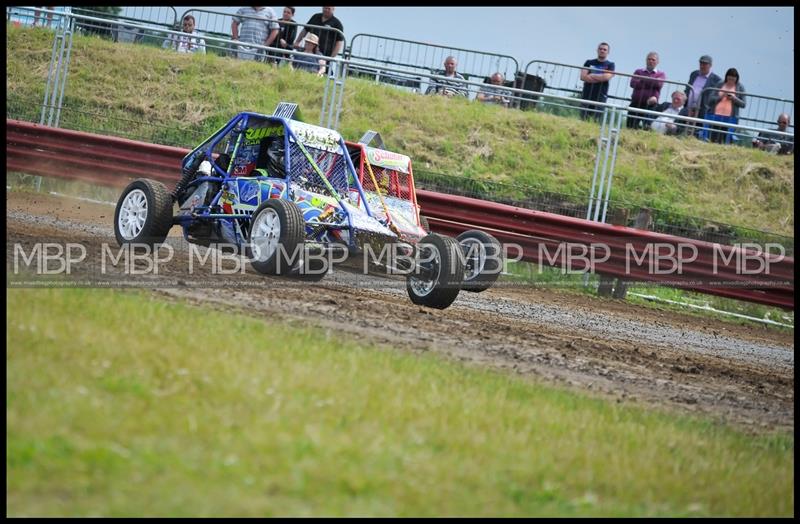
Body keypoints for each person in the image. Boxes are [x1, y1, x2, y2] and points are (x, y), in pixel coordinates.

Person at [705, 67, 746, 144]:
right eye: (729, 79)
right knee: (713, 138)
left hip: (730, 118)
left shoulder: (740, 87)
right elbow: (710, 99)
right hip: (716, 116)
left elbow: (743, 104)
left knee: (725, 139)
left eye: (733, 80)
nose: (730, 81)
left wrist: (734, 98)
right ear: (726, 77)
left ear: (736, 79)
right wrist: (721, 96)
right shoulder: (720, 84)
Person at [684, 55, 721, 136]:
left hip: (703, 111)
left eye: (705, 64)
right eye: (701, 63)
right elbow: (688, 88)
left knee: (697, 132)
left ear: (710, 65)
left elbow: (717, 97)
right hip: (688, 108)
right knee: (684, 127)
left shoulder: (717, 80)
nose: (702, 66)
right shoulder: (694, 74)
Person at [627, 52, 666, 130]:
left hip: (650, 105)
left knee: (647, 129)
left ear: (657, 62)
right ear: (646, 60)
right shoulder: (638, 71)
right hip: (636, 103)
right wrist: (652, 82)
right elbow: (633, 83)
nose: (651, 61)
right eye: (649, 59)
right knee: (630, 128)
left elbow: (658, 84)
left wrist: (641, 79)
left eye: (653, 60)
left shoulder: (661, 74)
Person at [579, 42, 615, 121]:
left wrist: (591, 76)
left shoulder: (610, 65)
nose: (602, 51)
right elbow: (583, 76)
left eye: (604, 49)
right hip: (587, 94)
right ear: (597, 50)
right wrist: (600, 78)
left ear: (608, 52)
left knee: (596, 121)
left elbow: (606, 77)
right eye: (600, 49)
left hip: (601, 96)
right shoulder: (589, 62)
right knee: (583, 119)